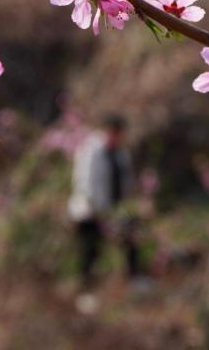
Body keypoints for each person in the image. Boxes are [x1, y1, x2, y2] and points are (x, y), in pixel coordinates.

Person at [68, 115, 140, 289]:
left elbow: (126, 180)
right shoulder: (91, 150)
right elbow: (85, 181)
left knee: (130, 238)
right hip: (89, 211)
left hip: (114, 209)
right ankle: (86, 289)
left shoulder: (121, 153)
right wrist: (99, 209)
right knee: (90, 250)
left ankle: (134, 279)